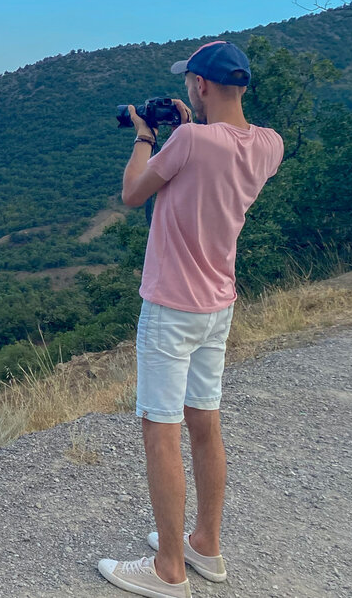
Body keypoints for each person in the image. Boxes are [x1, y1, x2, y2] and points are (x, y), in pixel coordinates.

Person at [97, 40, 284, 598]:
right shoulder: (270, 145)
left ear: (200, 85)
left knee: (161, 430)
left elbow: (134, 193)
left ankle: (169, 571)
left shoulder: (189, 142)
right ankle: (206, 543)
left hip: (171, 306)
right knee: (205, 424)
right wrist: (188, 130)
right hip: (218, 305)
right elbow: (219, 158)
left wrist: (145, 134)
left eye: (188, 82)